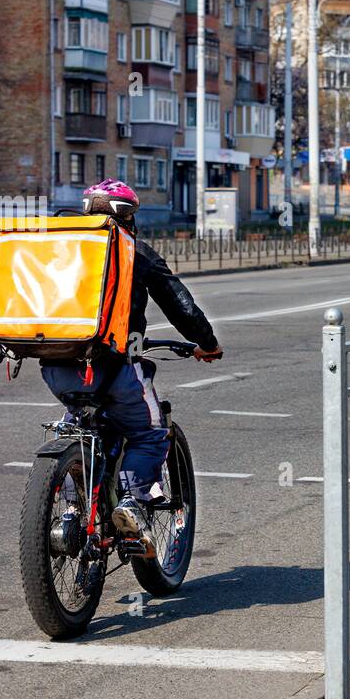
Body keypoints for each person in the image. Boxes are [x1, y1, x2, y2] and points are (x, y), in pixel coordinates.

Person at [40, 180, 223, 544]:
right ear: (127, 216)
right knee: (150, 435)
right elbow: (179, 305)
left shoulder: (62, 249)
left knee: (77, 427)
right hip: (116, 368)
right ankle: (132, 502)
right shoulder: (135, 251)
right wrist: (207, 343)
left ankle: (75, 507)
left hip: (58, 366)